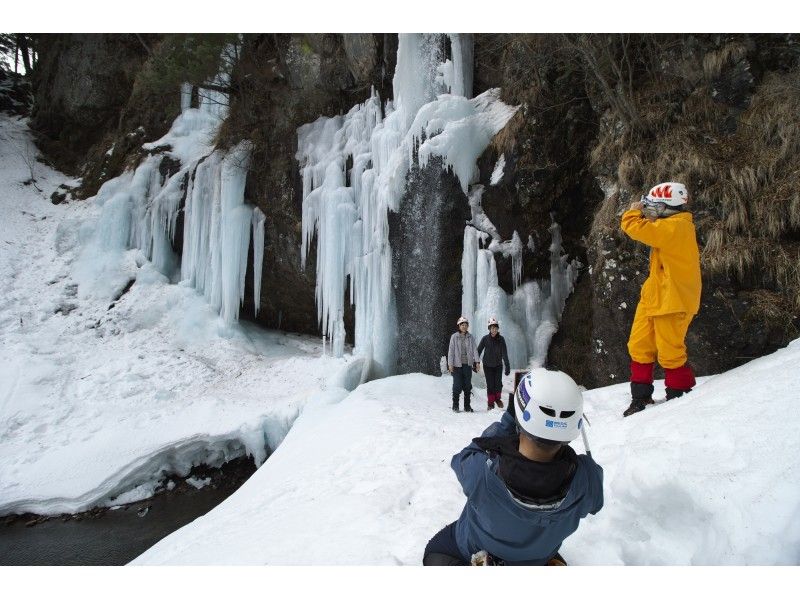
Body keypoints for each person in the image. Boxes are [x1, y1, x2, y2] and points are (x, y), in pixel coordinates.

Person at [423, 368, 603, 566]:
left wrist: (508, 420)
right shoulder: (589, 480)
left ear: (519, 414)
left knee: (434, 551)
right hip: (538, 556)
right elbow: (595, 504)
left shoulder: (481, 473)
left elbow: (465, 455)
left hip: (476, 545)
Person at [620, 181, 702, 417]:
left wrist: (635, 210)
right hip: (656, 296)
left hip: (673, 300)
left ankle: (680, 395)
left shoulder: (677, 227)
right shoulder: (670, 226)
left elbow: (635, 227)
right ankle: (640, 397)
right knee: (639, 345)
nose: (650, 210)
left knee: (670, 351)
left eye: (653, 205)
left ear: (666, 207)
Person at [447, 316, 481, 413]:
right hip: (457, 365)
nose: (464, 326)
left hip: (467, 365)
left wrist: (477, 362)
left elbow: (475, 349)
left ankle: (467, 406)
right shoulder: (454, 337)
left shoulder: (470, 337)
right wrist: (450, 364)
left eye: (466, 325)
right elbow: (451, 351)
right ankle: (455, 406)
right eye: (462, 325)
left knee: (467, 385)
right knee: (457, 385)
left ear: (467, 326)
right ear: (459, 326)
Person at [477, 317, 510, 411]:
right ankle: (490, 403)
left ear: (498, 328)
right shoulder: (485, 339)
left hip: (498, 365)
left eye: (495, 327)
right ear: (489, 329)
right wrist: (476, 362)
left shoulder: (501, 339)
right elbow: (478, 351)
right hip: (487, 366)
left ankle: (498, 399)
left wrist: (507, 366)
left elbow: (504, 353)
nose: (494, 329)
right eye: (492, 328)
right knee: (490, 384)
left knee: (498, 384)